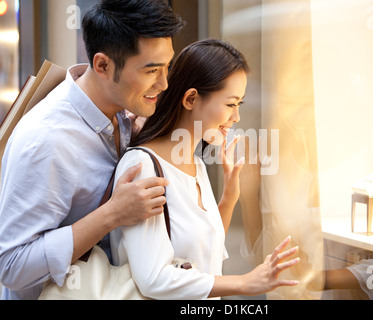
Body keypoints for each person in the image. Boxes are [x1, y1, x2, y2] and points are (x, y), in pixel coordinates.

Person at [0, 0, 185, 300]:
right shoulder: (46, 140)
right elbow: (11, 266)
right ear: (102, 65)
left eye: (167, 67)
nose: (163, 83)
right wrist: (112, 214)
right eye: (151, 70)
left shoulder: (123, 114)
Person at [110, 39, 300, 300]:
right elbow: (153, 280)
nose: (236, 117)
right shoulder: (143, 168)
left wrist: (229, 199)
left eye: (239, 105)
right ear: (191, 99)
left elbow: (204, 252)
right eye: (231, 104)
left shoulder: (196, 164)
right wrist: (245, 282)